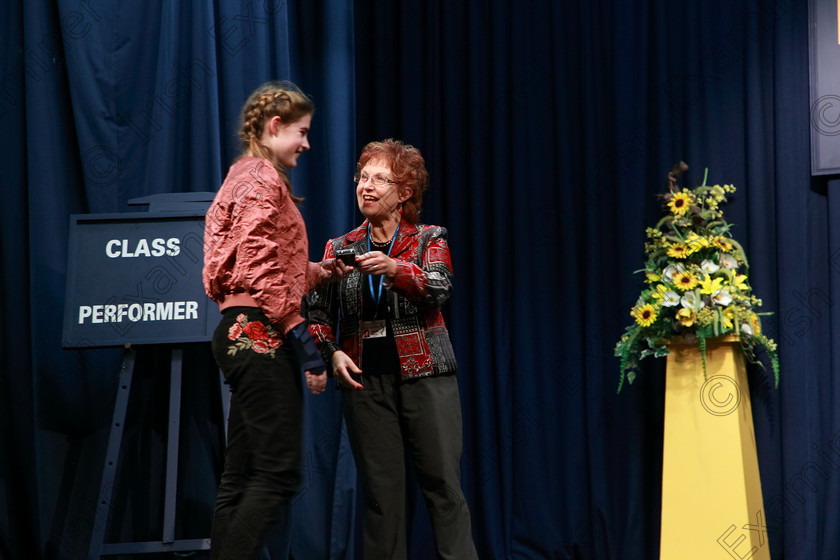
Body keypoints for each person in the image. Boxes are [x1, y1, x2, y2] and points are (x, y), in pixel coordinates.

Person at [308, 139, 478, 559]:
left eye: (379, 179)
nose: (366, 187)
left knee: (442, 486)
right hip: (366, 383)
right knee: (381, 498)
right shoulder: (340, 247)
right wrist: (331, 352)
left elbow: (439, 288)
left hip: (426, 377)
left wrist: (396, 269)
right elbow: (315, 312)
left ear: (404, 193)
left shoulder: (427, 239)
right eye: (362, 178)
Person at [202, 81, 350, 559]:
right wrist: (300, 334)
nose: (307, 144)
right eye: (302, 133)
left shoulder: (246, 179)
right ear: (274, 127)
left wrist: (324, 272)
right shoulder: (259, 178)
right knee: (278, 472)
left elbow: (267, 264)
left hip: (242, 328)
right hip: (258, 333)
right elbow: (258, 262)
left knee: (241, 476)